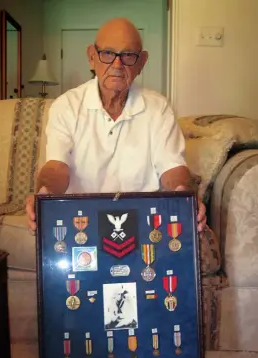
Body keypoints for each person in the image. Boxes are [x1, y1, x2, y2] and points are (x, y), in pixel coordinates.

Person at [26, 17, 206, 233]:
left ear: (141, 62)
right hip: (83, 221)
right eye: (108, 54)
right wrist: (43, 195)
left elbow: (172, 167)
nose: (117, 65)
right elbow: (57, 166)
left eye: (128, 55)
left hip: (144, 222)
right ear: (92, 57)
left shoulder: (159, 108)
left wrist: (185, 195)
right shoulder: (66, 105)